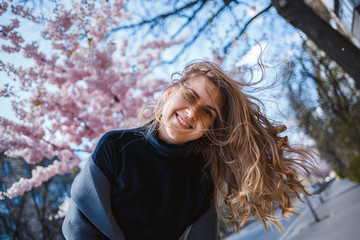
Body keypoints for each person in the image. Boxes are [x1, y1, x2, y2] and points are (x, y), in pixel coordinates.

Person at [62, 60, 313, 240]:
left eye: (207, 112)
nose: (192, 112)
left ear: (211, 127)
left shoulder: (203, 176)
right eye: (190, 97)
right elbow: (80, 224)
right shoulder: (115, 147)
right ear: (170, 92)